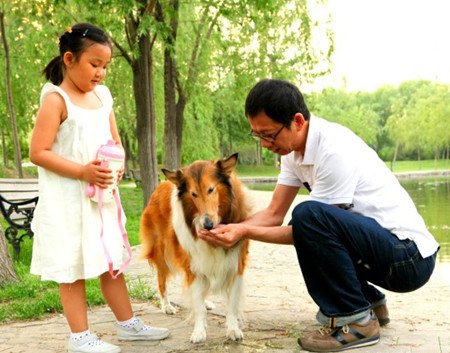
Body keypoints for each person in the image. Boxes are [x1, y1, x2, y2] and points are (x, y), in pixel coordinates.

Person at [198, 79, 440, 352]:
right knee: (311, 218)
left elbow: (304, 230)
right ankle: (369, 303)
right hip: (384, 252)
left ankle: (357, 322)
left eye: (268, 135)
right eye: (257, 135)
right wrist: (227, 228)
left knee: (308, 215)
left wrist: (242, 232)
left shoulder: (333, 149)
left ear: (298, 121)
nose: (265, 144)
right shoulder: (292, 153)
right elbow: (274, 213)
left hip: (409, 259)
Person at [29, 23, 169, 353]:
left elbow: (115, 142)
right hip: (68, 200)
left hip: (101, 198)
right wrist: (83, 172)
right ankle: (80, 337)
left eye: (106, 66)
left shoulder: (101, 97)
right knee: (73, 267)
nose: (101, 73)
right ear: (69, 59)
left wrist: (115, 171)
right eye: (95, 64)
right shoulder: (56, 100)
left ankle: (127, 324)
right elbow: (39, 152)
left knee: (110, 261)